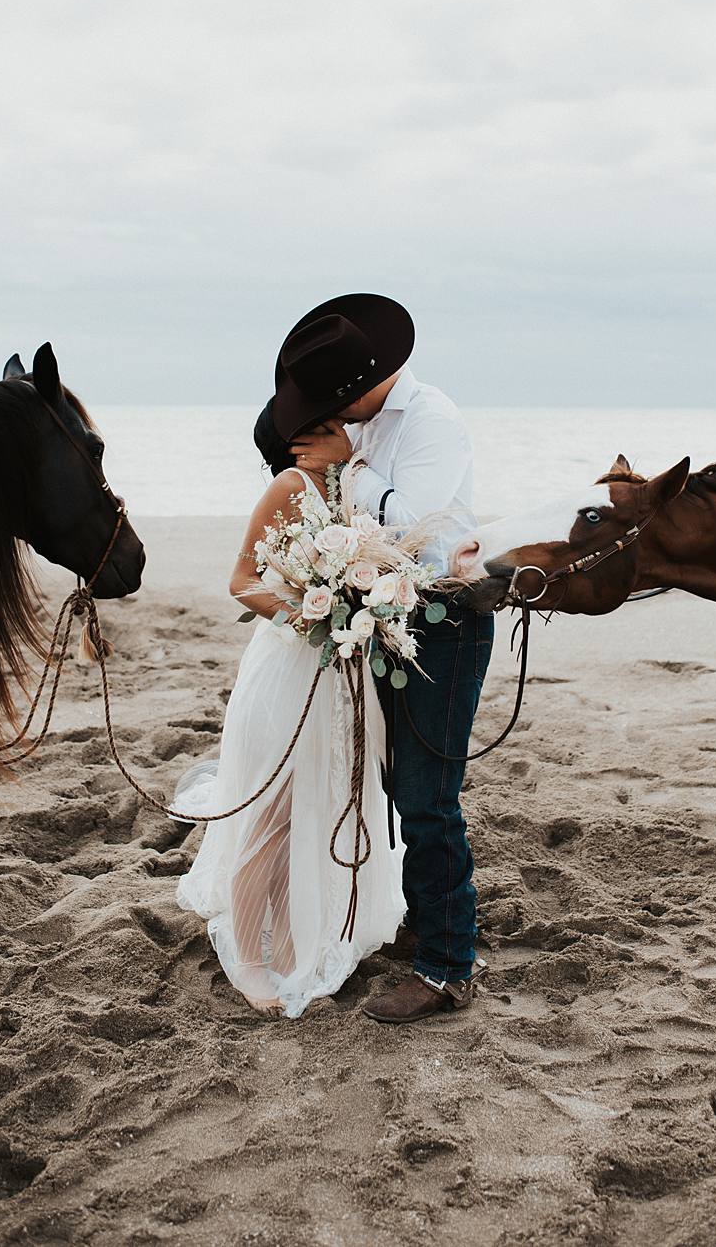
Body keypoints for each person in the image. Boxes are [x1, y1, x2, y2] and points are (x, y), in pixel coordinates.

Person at [284, 293, 495, 1024]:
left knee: (427, 796)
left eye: (334, 402)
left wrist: (351, 469)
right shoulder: (366, 425)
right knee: (386, 775)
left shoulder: (429, 419)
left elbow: (423, 531)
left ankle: (447, 969)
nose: (332, 419)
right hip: (387, 617)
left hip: (447, 621)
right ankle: (421, 920)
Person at [171, 409, 404, 1018]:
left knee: (315, 808)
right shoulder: (291, 487)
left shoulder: (349, 487)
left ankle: (299, 941)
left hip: (338, 675)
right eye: (333, 421)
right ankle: (249, 956)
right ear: (303, 442)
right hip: (289, 670)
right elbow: (242, 581)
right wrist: (311, 616)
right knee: (277, 816)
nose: (351, 425)